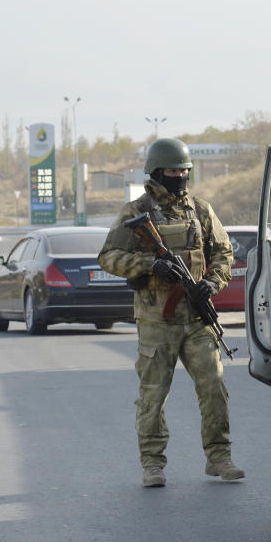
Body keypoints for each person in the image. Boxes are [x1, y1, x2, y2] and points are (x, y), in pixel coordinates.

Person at [98, 137, 243, 488]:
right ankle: (152, 463)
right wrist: (151, 266)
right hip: (156, 322)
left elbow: (224, 253)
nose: (180, 176)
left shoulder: (201, 210)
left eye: (184, 170)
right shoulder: (136, 212)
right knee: (153, 394)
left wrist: (213, 282)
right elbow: (108, 257)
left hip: (196, 318)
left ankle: (219, 457)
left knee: (214, 388)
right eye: (173, 171)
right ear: (156, 172)